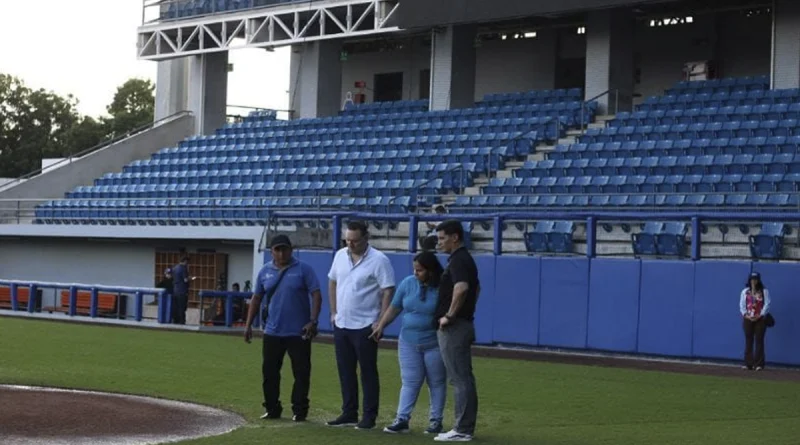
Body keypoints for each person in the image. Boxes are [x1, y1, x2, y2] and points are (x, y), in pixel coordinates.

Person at [326, 221, 396, 430]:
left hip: (366, 324)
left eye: (355, 240)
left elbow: (387, 290)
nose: (351, 244)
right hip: (343, 323)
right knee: (345, 370)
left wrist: (380, 321)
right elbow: (332, 281)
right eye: (348, 240)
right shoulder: (340, 255)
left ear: (366, 238)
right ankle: (349, 412)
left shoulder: (379, 260)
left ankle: (369, 415)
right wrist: (333, 312)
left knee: (367, 372)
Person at [244, 234, 322, 422]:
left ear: (291, 249)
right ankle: (272, 408)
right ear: (271, 252)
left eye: (284, 249)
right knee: (270, 373)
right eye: (277, 250)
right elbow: (256, 298)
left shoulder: (304, 269)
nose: (281, 253)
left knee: (302, 373)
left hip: (299, 332)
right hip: (272, 331)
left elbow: (316, 294)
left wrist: (312, 320)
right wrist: (248, 325)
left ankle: (300, 410)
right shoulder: (264, 272)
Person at [370, 251, 447, 435]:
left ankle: (436, 421)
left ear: (430, 270)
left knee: (436, 382)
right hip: (408, 341)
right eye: (414, 269)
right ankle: (402, 419)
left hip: (434, 341)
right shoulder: (407, 283)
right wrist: (381, 326)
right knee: (410, 381)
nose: (415, 273)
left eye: (419, 270)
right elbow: (395, 307)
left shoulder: (443, 287)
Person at [433, 219, 480, 442]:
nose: (439, 242)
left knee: (460, 378)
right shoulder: (462, 259)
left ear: (455, 237)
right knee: (462, 377)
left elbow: (462, 288)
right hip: (462, 323)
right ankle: (463, 426)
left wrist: (450, 316)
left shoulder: (459, 260)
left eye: (442, 238)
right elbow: (477, 288)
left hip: (455, 327)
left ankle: (462, 428)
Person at [740, 271, 771, 371]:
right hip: (748, 318)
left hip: (760, 319)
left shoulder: (764, 291)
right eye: (752, 279)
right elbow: (742, 305)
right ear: (749, 280)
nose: (754, 281)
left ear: (759, 280)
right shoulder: (745, 292)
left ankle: (759, 364)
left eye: (755, 279)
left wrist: (760, 315)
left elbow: (767, 304)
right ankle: (748, 363)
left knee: (759, 340)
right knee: (748, 340)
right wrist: (746, 315)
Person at [171, 256, 191, 325]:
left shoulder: (174, 268)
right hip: (182, 290)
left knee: (175, 307)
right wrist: (191, 278)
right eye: (187, 262)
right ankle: (182, 321)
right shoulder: (183, 268)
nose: (187, 264)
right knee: (182, 307)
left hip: (175, 290)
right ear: (185, 261)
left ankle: (175, 320)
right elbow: (185, 280)